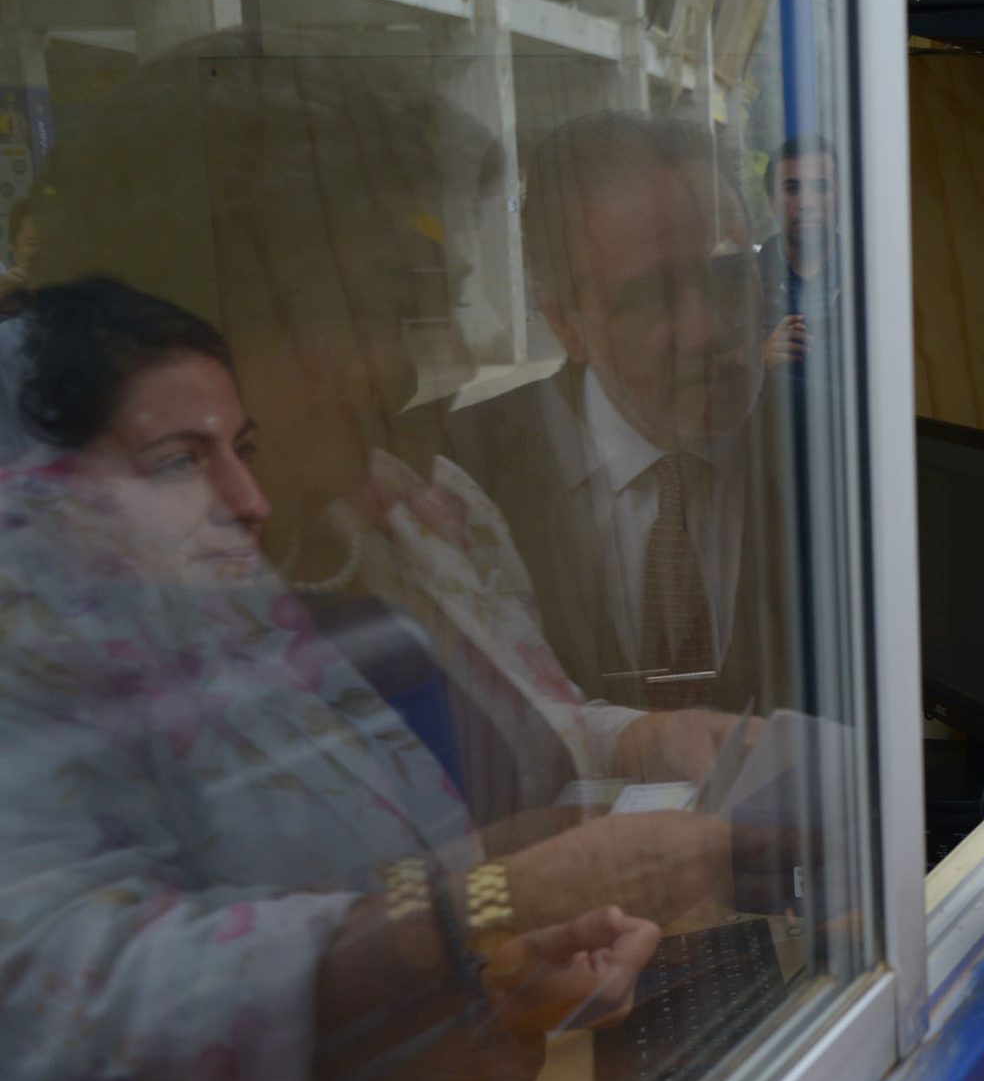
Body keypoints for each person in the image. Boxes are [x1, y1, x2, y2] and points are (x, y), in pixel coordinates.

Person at [0, 279, 713, 1081]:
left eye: (242, 447)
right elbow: (66, 991)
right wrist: (472, 910)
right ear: (31, 494)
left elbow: (373, 888)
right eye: (178, 462)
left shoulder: (243, 629)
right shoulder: (26, 680)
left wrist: (513, 963)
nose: (248, 499)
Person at [26, 42, 746, 805]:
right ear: (208, 314)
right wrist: (488, 900)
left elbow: (529, 734)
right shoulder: (63, 602)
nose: (455, 362)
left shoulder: (430, 514)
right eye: (387, 308)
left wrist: (645, 739)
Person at [446, 111, 808, 714]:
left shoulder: (846, 457)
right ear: (565, 321)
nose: (706, 329)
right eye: (650, 296)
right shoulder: (453, 474)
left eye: (727, 275)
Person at [758, 133, 845, 378]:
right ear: (772, 201)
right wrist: (760, 361)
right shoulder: (740, 286)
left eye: (820, 187)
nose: (806, 202)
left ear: (842, 198)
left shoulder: (874, 280)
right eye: (792, 188)